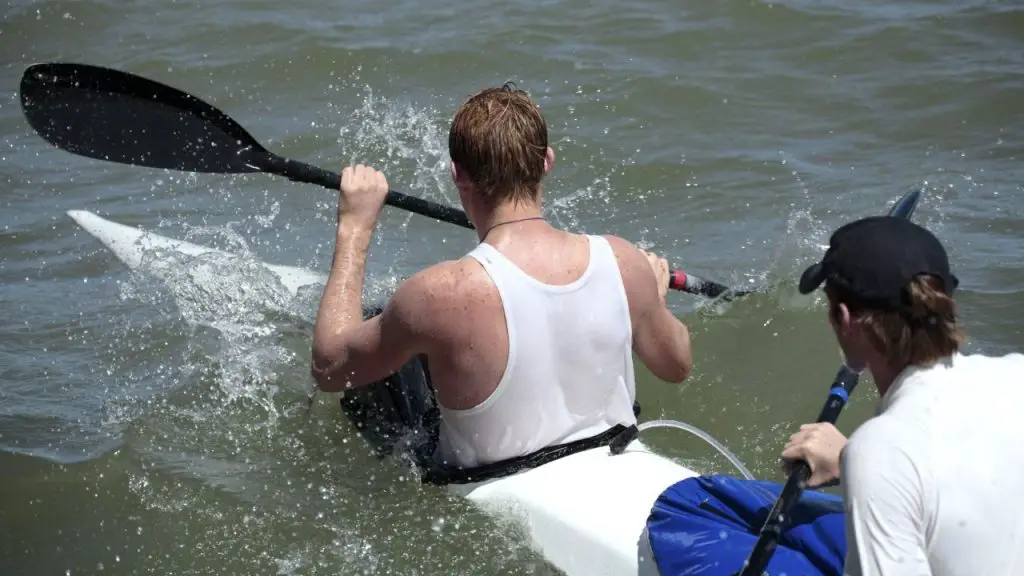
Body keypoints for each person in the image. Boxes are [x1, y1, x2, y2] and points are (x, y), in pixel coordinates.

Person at [310, 83, 692, 474]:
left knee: (384, 326)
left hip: (486, 483)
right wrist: (653, 299)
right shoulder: (622, 261)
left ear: (458, 175)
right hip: (612, 457)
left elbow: (328, 369)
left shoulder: (439, 293)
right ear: (547, 162)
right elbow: (677, 366)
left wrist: (354, 228)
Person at [781, 215, 1024, 575]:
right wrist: (851, 461)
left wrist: (860, 463)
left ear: (844, 319)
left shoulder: (881, 451)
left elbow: (902, 459)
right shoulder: (1015, 372)